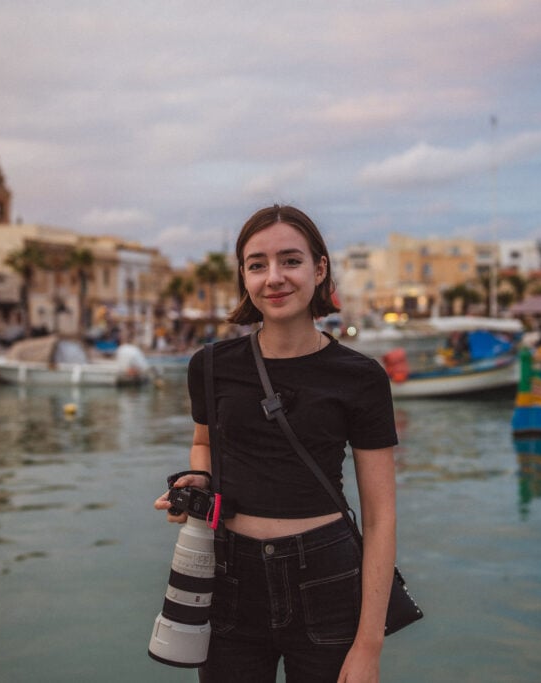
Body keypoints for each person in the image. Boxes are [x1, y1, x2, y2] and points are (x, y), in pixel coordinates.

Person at [154, 205, 398, 682]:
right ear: (243, 276)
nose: (274, 278)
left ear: (319, 268)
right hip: (228, 577)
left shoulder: (361, 377)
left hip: (326, 575)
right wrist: (198, 480)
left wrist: (369, 644)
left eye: (290, 260)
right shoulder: (209, 365)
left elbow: (381, 514)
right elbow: (204, 444)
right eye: (257, 264)